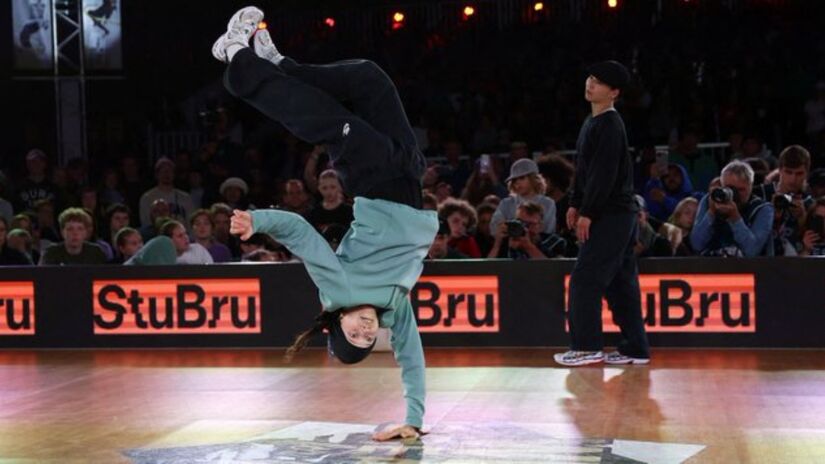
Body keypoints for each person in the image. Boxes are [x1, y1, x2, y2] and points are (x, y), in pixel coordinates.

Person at [214, 7, 438, 441]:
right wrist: (413, 420)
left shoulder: (337, 289)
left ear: (336, 322)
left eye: (354, 333)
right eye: (367, 340)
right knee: (371, 79)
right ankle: (281, 65)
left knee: (321, 117)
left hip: (375, 180)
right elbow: (412, 359)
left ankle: (238, 60)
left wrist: (256, 220)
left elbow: (301, 234)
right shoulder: (394, 309)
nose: (366, 330)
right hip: (409, 175)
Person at [555, 61, 650, 367]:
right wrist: (574, 202)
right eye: (590, 78)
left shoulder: (610, 124)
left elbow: (603, 175)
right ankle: (635, 347)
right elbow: (584, 171)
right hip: (615, 214)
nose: (590, 84)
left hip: (611, 215)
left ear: (614, 92)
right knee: (620, 282)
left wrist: (587, 211)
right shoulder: (592, 122)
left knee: (586, 278)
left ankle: (586, 346)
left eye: (598, 82)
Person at [690, 160, 774, 257]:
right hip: (712, 267)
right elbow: (696, 244)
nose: (735, 194)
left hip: (748, 269)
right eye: (730, 188)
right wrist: (711, 213)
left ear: (751, 187)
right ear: (721, 185)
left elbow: (752, 251)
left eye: (741, 190)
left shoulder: (763, 209)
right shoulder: (709, 200)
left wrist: (735, 218)